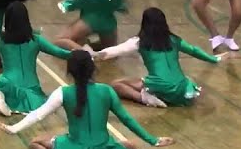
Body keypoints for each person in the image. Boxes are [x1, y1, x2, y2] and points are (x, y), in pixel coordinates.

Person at [0, 50, 174, 149]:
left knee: (35, 143)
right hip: (103, 147)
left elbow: (38, 114)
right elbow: (126, 119)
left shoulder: (63, 92)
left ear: (70, 71)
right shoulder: (107, 90)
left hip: (74, 147)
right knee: (131, 147)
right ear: (92, 68)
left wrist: (14, 128)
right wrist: (153, 140)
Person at [95, 7, 223, 108]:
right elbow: (194, 51)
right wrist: (215, 59)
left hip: (159, 86)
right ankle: (171, 96)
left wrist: (97, 55)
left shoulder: (140, 41)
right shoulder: (174, 39)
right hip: (180, 89)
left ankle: (144, 98)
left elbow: (116, 50)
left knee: (117, 84)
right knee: (187, 78)